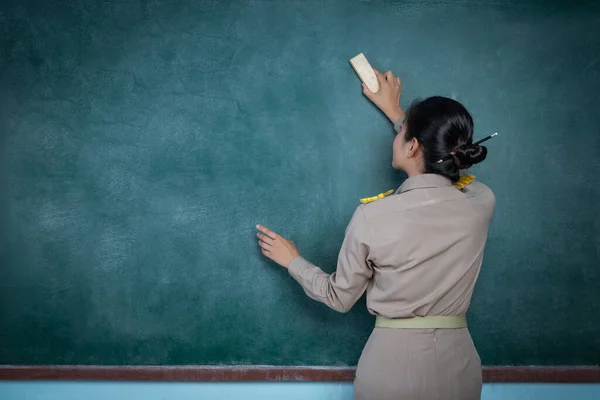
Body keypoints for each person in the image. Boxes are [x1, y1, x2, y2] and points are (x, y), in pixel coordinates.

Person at [256, 69, 495, 400]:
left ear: (412, 146)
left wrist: (292, 260)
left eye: (402, 134)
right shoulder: (480, 203)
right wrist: (400, 116)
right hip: (461, 366)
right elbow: (458, 172)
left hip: (391, 367)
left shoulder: (373, 216)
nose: (395, 139)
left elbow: (339, 297)